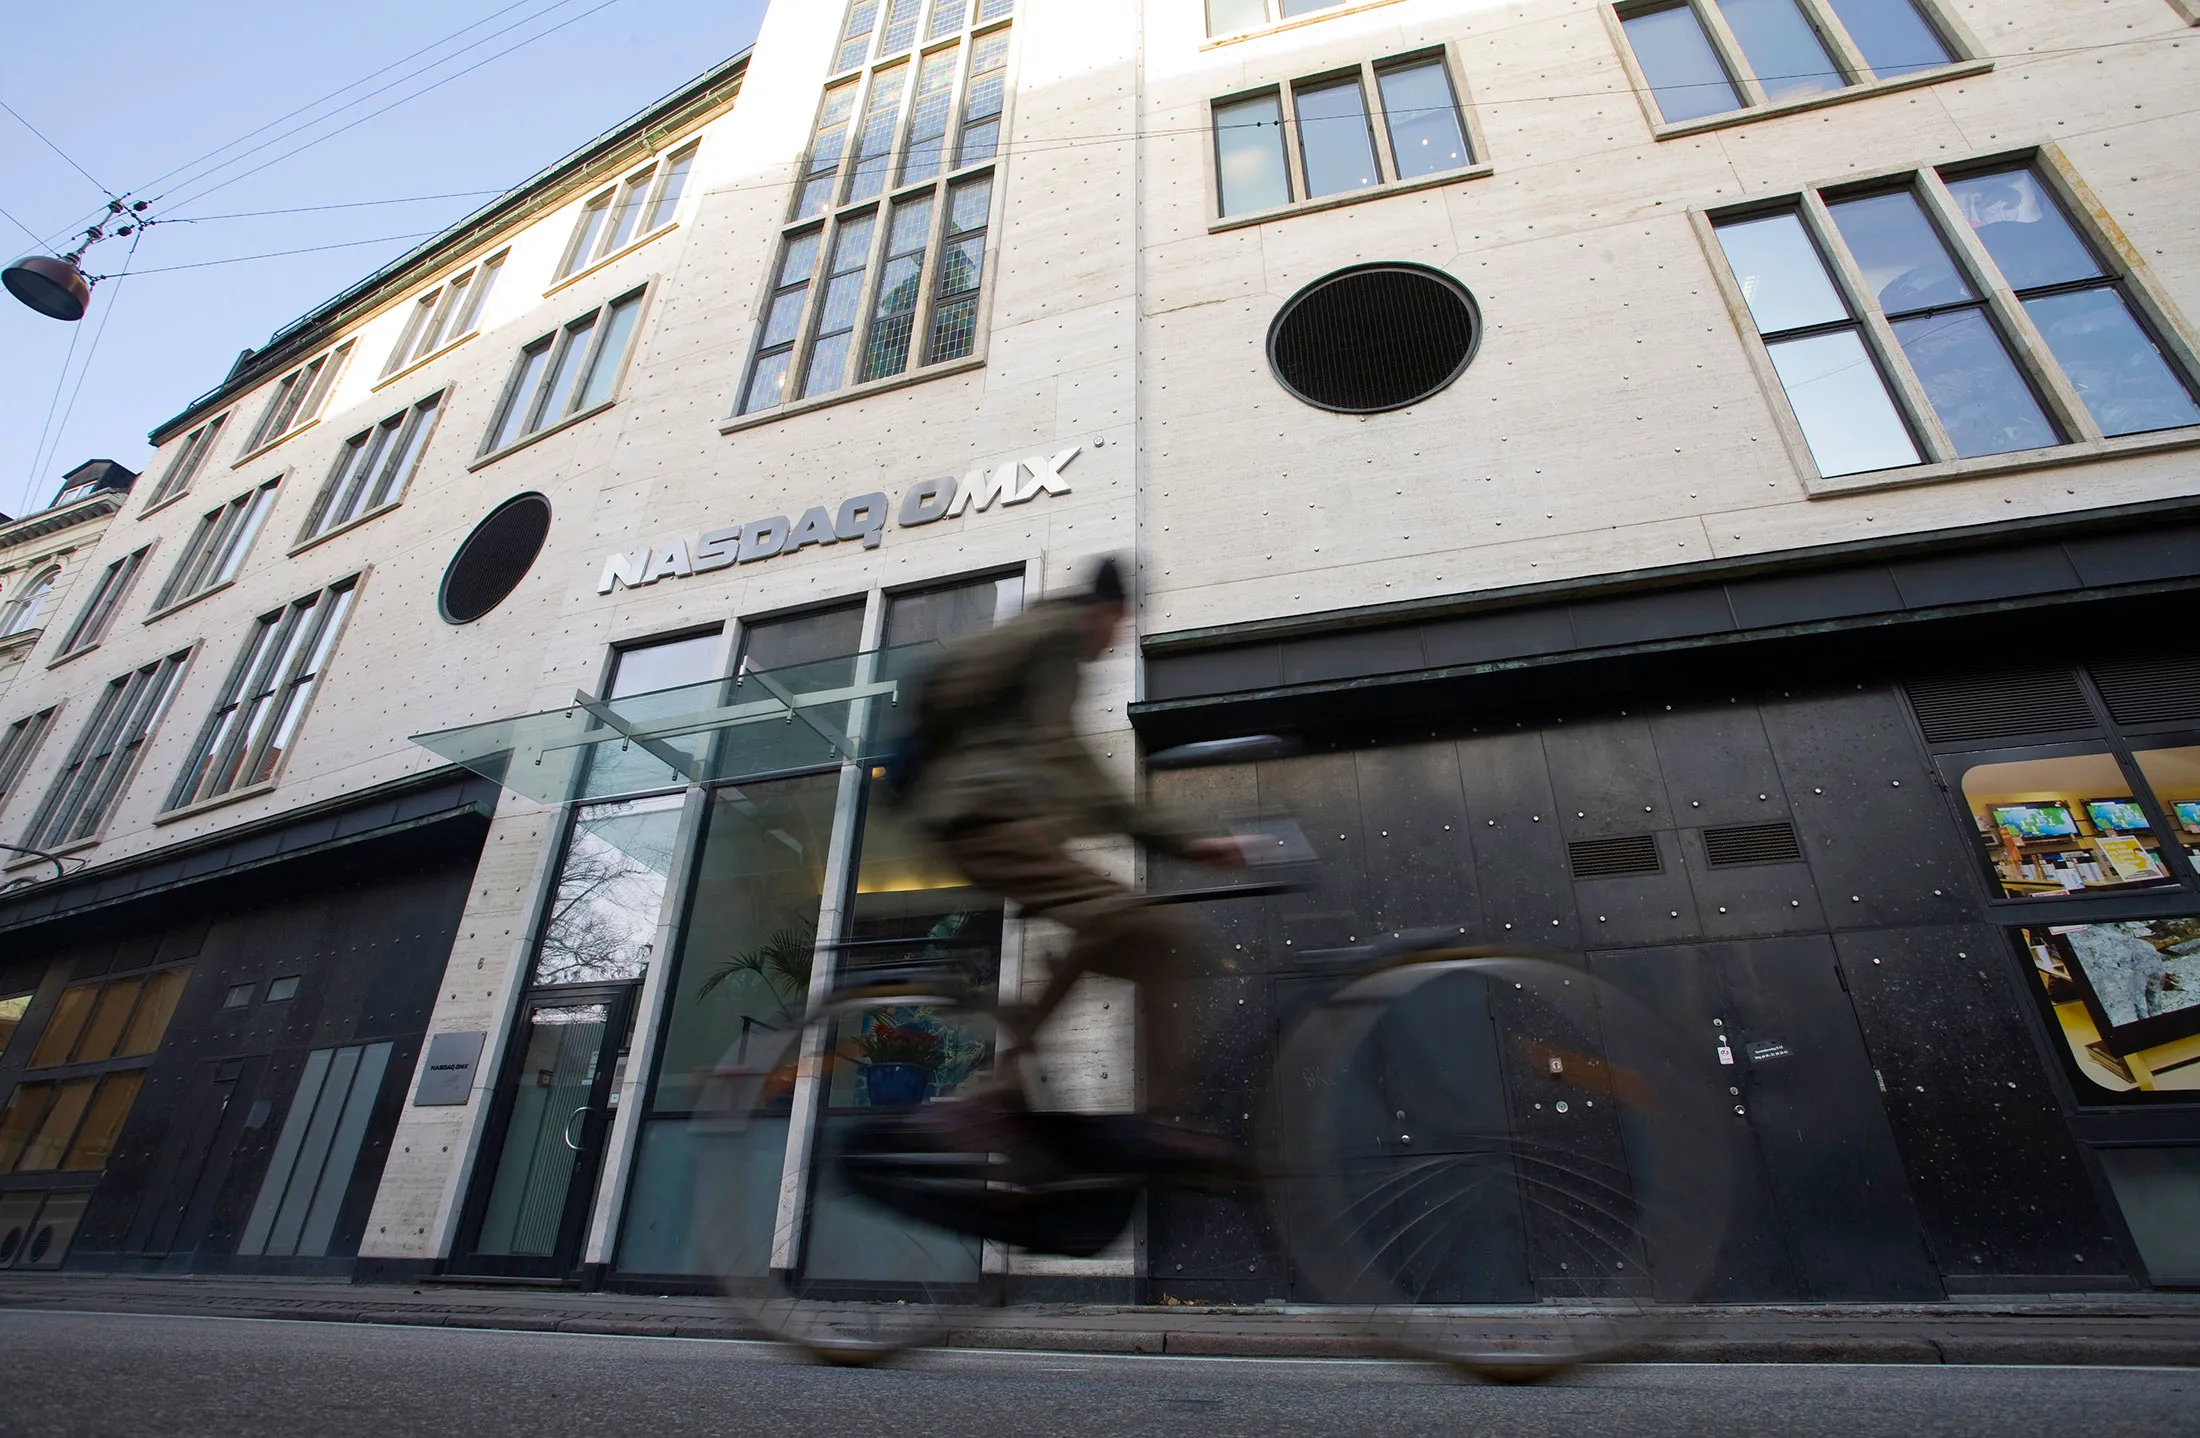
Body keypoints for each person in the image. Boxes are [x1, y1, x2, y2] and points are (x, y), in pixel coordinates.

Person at [892, 555, 1252, 1178]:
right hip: (985, 824)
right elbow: (947, 688)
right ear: (1107, 611)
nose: (1118, 640)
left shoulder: (1052, 668)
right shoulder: (1051, 636)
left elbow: (1087, 782)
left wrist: (1190, 844)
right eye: (1122, 623)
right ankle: (1003, 1095)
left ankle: (1019, 1087)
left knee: (1138, 936)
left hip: (995, 825)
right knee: (1148, 930)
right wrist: (995, 782)